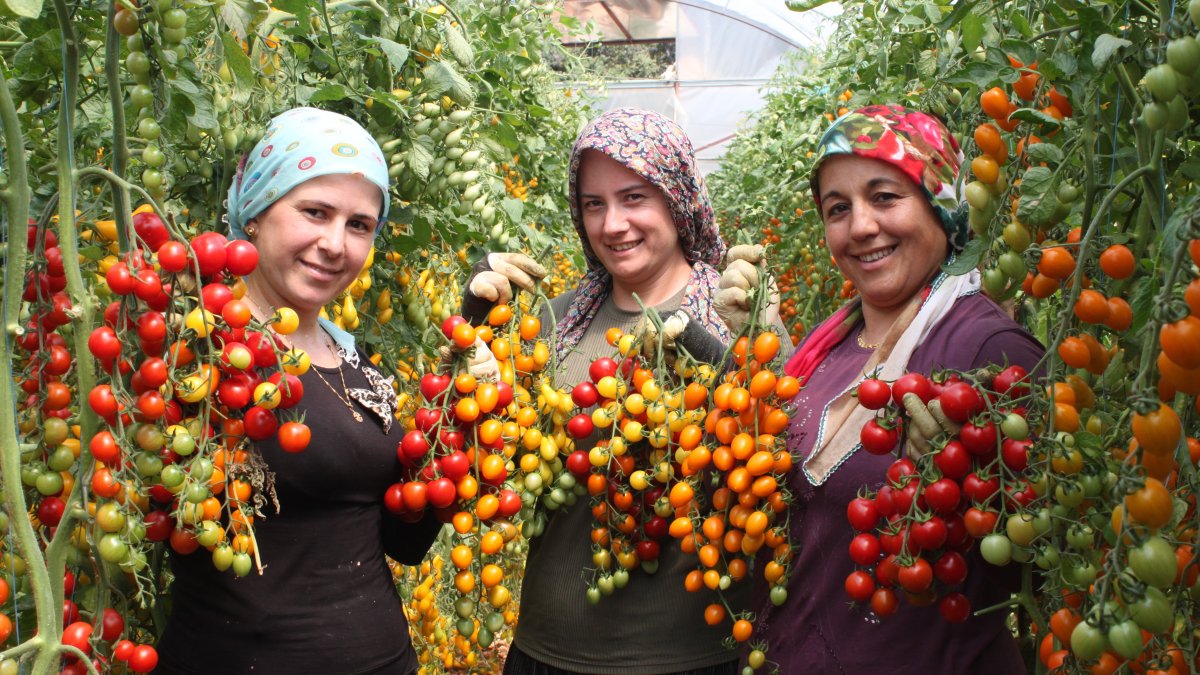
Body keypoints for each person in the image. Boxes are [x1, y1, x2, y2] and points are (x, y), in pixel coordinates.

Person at [740, 105, 1045, 673]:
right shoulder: (828, 344)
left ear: (941, 202)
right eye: (838, 209)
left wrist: (979, 484)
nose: (859, 226)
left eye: (884, 197)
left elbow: (1048, 547)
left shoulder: (988, 351)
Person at [156, 107, 442, 675]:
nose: (335, 244)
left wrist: (456, 401)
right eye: (315, 212)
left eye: (359, 225)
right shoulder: (203, 352)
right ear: (256, 212)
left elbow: (402, 542)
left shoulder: (353, 359)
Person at [461, 108, 743, 675]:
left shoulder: (739, 315)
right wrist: (473, 337)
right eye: (594, 204)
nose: (613, 224)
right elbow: (482, 466)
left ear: (678, 197)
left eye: (634, 197)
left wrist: (725, 364)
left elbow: (780, 469)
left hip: (691, 658)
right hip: (550, 649)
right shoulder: (554, 323)